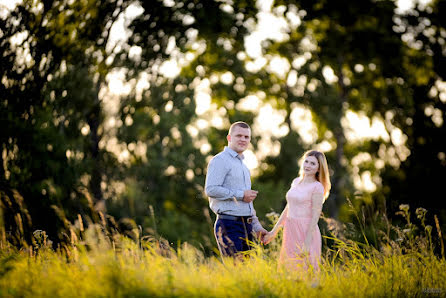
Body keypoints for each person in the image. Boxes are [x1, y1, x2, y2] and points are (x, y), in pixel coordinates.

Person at [205, 121, 268, 257]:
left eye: (246, 137)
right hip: (229, 224)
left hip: (247, 226)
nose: (243, 139)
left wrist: (257, 226)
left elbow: (248, 200)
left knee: (247, 273)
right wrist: (240, 195)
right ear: (229, 138)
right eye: (239, 135)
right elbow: (211, 189)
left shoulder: (244, 167)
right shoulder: (220, 160)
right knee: (235, 269)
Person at [263, 150, 331, 271]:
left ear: (319, 169)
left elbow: (316, 216)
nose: (308, 165)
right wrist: (274, 231)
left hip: (306, 231)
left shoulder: (317, 187)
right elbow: (288, 208)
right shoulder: (296, 182)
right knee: (289, 269)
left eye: (313, 164)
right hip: (290, 230)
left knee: (305, 270)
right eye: (306, 161)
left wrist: (307, 242)